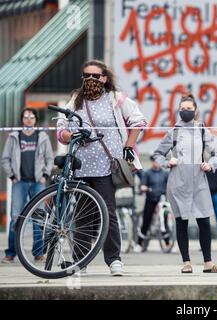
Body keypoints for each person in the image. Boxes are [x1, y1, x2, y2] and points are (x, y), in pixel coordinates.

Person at [57, 60, 147, 276]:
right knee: (81, 215)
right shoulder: (75, 101)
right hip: (81, 166)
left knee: (108, 212)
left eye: (95, 76)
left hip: (108, 167)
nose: (90, 79)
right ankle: (80, 261)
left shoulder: (117, 98)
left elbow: (138, 122)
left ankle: (114, 260)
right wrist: (73, 135)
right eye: (86, 75)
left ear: (104, 78)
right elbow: (61, 130)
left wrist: (128, 146)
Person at [153, 94, 217, 274]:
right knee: (181, 222)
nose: (186, 112)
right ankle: (186, 262)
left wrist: (210, 165)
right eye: (183, 109)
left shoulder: (202, 130)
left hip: (199, 181)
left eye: (189, 109)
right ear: (178, 110)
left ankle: (208, 263)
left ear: (196, 111)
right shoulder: (174, 131)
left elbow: (216, 154)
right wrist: (167, 162)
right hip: (178, 182)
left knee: (204, 221)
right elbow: (157, 154)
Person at [1, 108, 54, 263]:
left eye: (31, 117)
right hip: (20, 182)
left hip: (38, 183)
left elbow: (50, 159)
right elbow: (5, 159)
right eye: (26, 117)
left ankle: (38, 253)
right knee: (16, 218)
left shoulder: (42, 136)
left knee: (38, 218)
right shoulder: (14, 137)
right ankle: (11, 253)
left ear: (36, 119)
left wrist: (45, 175)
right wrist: (12, 175)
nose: (29, 119)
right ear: (22, 119)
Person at [135, 155, 169, 252]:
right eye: (154, 161)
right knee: (146, 221)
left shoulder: (165, 173)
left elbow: (169, 184)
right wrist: (143, 187)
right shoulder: (147, 173)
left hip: (162, 199)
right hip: (150, 199)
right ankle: (139, 243)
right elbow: (143, 184)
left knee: (165, 220)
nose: (156, 163)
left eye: (158, 161)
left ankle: (167, 243)